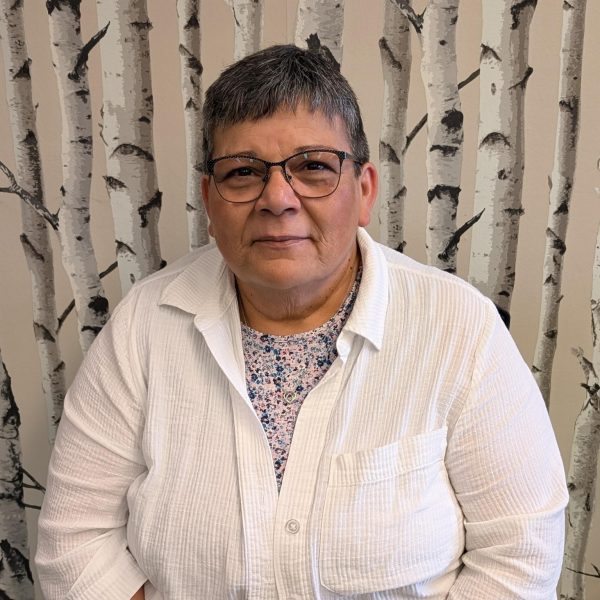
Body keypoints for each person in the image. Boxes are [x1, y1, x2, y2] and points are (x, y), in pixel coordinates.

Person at [36, 44, 568, 599]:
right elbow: (74, 540)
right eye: (243, 172)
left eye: (313, 166)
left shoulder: (459, 328)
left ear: (364, 191)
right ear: (209, 201)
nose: (277, 198)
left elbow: (519, 554)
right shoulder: (144, 326)